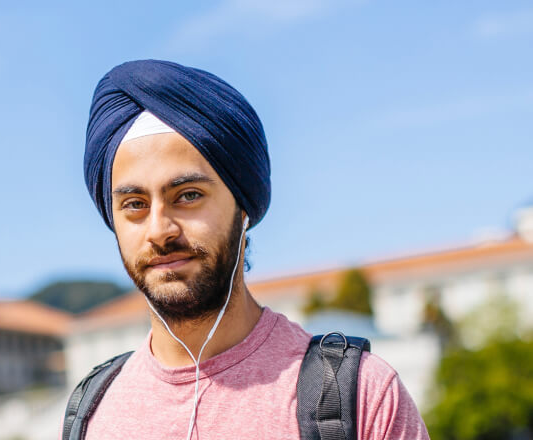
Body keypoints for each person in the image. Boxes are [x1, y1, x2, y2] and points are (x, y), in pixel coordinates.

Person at [70, 60, 429, 439]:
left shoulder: (360, 396)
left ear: (243, 208)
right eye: (134, 204)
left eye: (188, 196)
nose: (159, 230)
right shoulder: (93, 411)